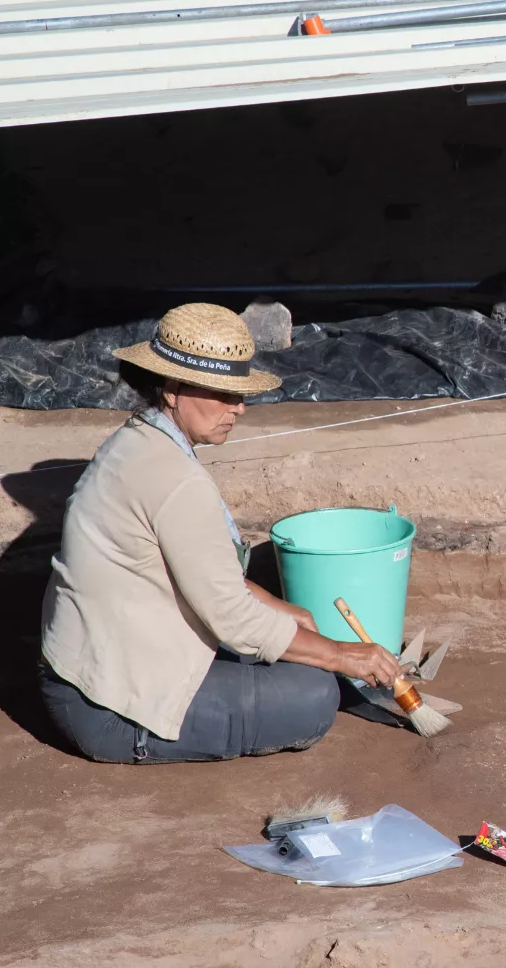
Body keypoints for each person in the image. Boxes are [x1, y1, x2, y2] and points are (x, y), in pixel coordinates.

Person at [39, 303, 403, 763]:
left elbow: (200, 572)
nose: (239, 408)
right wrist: (339, 655)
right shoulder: (175, 480)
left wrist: (285, 611)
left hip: (89, 671)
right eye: (222, 393)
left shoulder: (137, 442)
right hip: (111, 707)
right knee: (311, 694)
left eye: (239, 394)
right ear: (172, 389)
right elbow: (231, 617)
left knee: (289, 644)